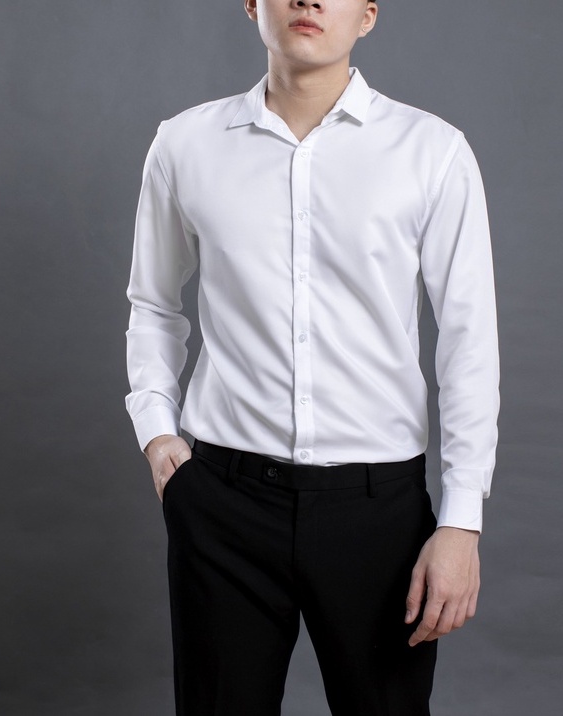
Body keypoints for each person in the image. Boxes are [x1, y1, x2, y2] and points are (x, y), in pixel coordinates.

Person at [125, 1, 499, 714]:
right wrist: (156, 430)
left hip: (378, 516)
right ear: (252, 5)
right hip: (223, 505)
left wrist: (461, 520)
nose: (308, 0)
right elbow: (153, 302)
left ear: (367, 15)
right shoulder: (185, 144)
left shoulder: (432, 151)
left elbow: (468, 341)